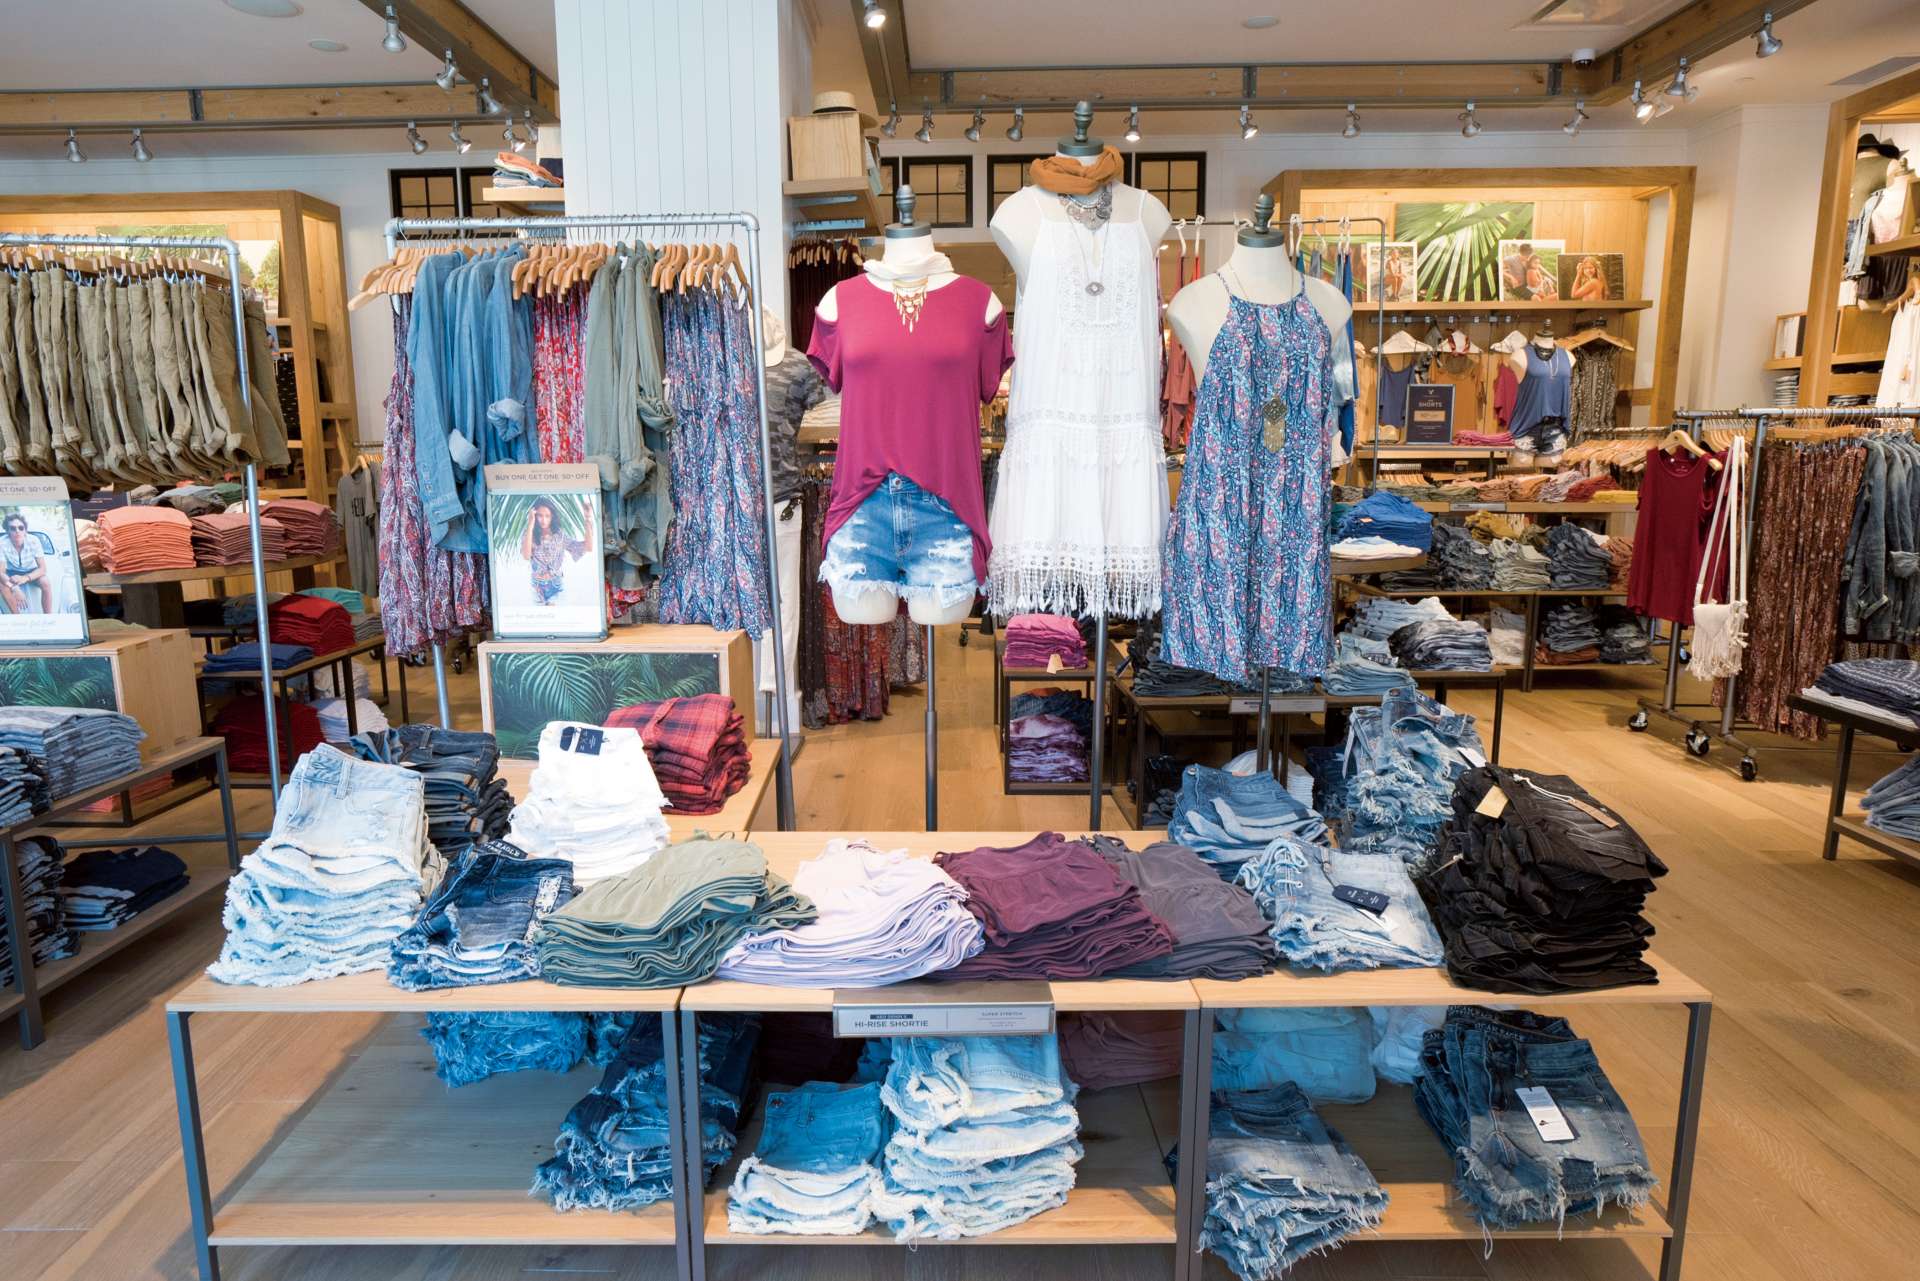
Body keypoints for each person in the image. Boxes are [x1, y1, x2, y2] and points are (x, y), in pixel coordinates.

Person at [519, 498, 589, 606]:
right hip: (536, 588)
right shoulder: (529, 534)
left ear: (552, 517)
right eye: (540, 515)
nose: (543, 520)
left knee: (555, 614)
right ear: (535, 516)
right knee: (538, 616)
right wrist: (530, 525)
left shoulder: (559, 536)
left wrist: (588, 519)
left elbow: (586, 547)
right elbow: (526, 556)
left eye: (547, 516)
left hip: (556, 586)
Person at [2, 513, 49, 614]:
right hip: (11, 572)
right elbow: (1, 572)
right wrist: (14, 588)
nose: (17, 531)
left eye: (21, 528)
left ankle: (49, 616)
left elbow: (43, 569)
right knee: (2, 585)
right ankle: (17, 617)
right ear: (8, 531)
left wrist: (25, 578)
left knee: (45, 582)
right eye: (12, 528)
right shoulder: (1, 543)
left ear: (25, 530)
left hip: (31, 570)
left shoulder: (34, 541)